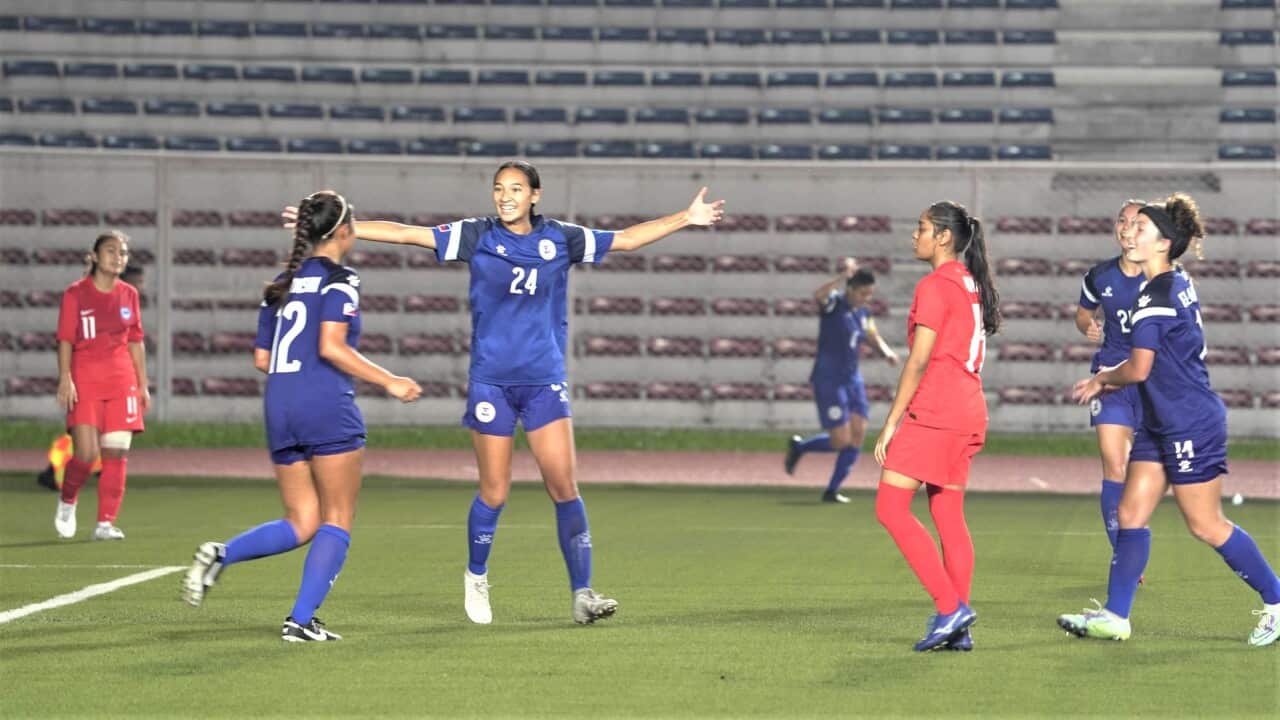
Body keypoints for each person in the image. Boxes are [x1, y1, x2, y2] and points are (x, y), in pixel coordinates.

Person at [325, 160, 724, 625]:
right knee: (494, 493)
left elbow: (628, 239)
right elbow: (406, 233)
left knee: (564, 487)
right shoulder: (476, 235)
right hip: (491, 382)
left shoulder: (562, 238)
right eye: (499, 188)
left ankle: (583, 593)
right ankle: (476, 576)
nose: (505, 195)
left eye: (516, 188)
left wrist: (685, 217)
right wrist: (341, 226)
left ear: (535, 195)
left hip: (543, 382)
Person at [181, 190, 423, 642]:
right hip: (324, 404)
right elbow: (331, 346)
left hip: (280, 405)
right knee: (337, 518)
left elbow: (261, 358)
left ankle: (222, 554)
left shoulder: (281, 281)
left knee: (302, 520)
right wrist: (388, 380)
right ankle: (300, 620)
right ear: (345, 232)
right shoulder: (342, 279)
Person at [1058, 193, 1280, 647]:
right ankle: (1117, 617)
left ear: (1163, 243)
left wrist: (1101, 379)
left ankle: (1277, 600)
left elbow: (1138, 369)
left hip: (1188, 422)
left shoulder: (1156, 293)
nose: (1129, 232)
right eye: (1130, 226)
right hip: (1164, 420)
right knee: (1130, 512)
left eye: (1141, 228)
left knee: (1205, 525)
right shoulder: (1171, 281)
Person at [872, 201, 1000, 652]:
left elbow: (920, 359)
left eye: (922, 228)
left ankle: (950, 608)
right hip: (967, 409)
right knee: (947, 515)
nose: (915, 235)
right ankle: (957, 625)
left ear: (943, 236)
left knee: (889, 507)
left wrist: (890, 423)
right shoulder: (968, 282)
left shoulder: (934, 285)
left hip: (939, 410)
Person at [54, 232, 149, 540]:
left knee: (117, 454)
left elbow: (135, 341)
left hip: (122, 381)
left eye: (122, 252)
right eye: (110, 251)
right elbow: (66, 339)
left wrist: (142, 384)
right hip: (85, 380)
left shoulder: (129, 295)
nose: (117, 256)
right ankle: (68, 499)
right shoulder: (75, 294)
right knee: (85, 453)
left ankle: (105, 524)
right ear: (94, 256)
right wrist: (65, 378)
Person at [784, 261, 899, 503]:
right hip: (829, 380)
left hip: (852, 379)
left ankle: (832, 490)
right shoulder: (835, 302)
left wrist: (886, 352)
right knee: (841, 441)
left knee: (858, 435)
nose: (866, 298)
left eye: (870, 294)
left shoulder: (863, 312)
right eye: (863, 293)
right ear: (851, 289)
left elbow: (871, 334)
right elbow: (819, 294)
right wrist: (841, 276)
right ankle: (801, 447)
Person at [1076, 201, 1150, 561]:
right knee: (1115, 465)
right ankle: (1124, 554)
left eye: (1136, 222)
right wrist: (1088, 327)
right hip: (1107, 379)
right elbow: (1082, 314)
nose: (1126, 227)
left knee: (1146, 475)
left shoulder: (1163, 279)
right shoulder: (1099, 275)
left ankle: (1133, 537)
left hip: (1152, 383)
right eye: (1122, 220)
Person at [38, 264, 141, 492]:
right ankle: (56, 472)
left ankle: (73, 471)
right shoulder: (100, 300)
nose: (140, 287)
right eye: (138, 281)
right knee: (90, 436)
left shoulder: (125, 301)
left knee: (99, 434)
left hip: (113, 380)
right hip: (91, 377)